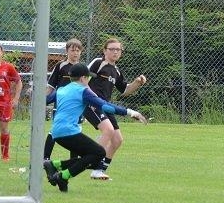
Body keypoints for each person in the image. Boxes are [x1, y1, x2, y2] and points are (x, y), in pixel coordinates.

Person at [44, 63, 147, 192]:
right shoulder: (83, 91)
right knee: (99, 153)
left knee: (91, 157)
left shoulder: (61, 89)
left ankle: (55, 165)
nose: (89, 80)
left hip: (56, 132)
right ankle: (63, 176)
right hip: (69, 132)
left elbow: (45, 100)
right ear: (82, 78)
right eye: (88, 77)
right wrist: (130, 112)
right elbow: (105, 106)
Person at [83, 38, 147, 180]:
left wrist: (137, 83)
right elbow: (83, 80)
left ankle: (99, 171)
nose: (115, 52)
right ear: (105, 50)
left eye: (118, 49)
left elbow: (125, 90)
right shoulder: (98, 63)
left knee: (117, 140)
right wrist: (92, 99)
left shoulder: (116, 71)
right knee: (108, 131)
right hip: (92, 104)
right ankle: (90, 161)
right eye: (112, 49)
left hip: (105, 106)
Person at [44, 38, 83, 160]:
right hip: (61, 104)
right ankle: (45, 157)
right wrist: (43, 99)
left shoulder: (83, 68)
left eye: (78, 50)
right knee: (55, 129)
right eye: (72, 50)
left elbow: (85, 88)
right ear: (67, 51)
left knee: (75, 130)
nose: (75, 53)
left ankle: (74, 160)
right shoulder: (60, 66)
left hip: (76, 105)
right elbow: (51, 86)